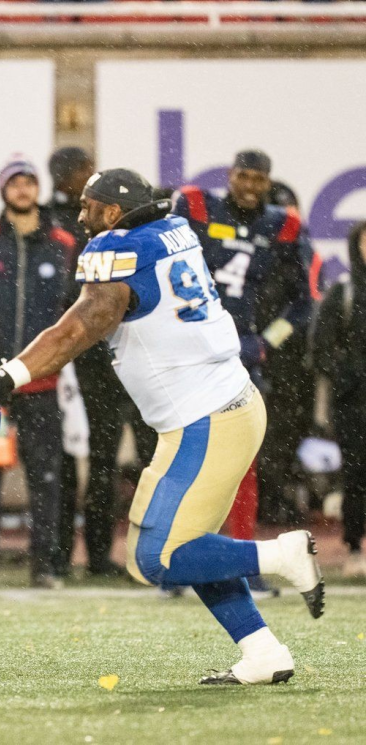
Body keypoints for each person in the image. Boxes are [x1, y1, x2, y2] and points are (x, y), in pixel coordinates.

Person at [0, 168, 324, 685]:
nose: (80, 216)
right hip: (221, 407)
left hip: (206, 418)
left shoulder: (117, 248)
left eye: (88, 206)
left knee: (159, 556)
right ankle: (262, 650)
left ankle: (280, 554)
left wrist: (8, 375)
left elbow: (79, 327)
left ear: (112, 212)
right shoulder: (171, 228)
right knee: (185, 544)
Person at [174, 150, 313, 594]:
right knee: (182, 453)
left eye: (259, 179)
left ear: (269, 182)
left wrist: (266, 341)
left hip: (238, 355)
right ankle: (176, 558)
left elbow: (304, 303)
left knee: (241, 460)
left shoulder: (283, 224)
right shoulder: (195, 205)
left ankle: (239, 560)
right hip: (191, 350)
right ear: (229, 175)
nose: (250, 186)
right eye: (243, 176)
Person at [0, 156, 73, 588]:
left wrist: (55, 363)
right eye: (15, 183)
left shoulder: (62, 243)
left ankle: (46, 566)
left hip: (41, 380)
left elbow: (70, 314)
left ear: (38, 188)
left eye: (29, 182)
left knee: (46, 476)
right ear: (3, 190)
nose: (23, 190)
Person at [48, 147, 129, 578]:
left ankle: (98, 553)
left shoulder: (100, 227)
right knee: (65, 461)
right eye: (81, 172)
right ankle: (60, 555)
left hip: (99, 357)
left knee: (101, 458)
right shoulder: (58, 227)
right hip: (68, 355)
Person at [310, 221, 366, 579]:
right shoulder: (343, 293)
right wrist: (350, 374)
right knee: (357, 475)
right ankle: (355, 546)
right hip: (355, 403)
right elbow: (319, 350)